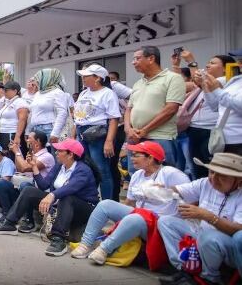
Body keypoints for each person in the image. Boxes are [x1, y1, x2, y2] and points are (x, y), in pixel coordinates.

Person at [71, 141, 190, 265]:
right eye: (132, 155)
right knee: (105, 204)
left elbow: (190, 196)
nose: (131, 158)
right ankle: (85, 245)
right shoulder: (137, 175)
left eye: (136, 155)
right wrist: (119, 225)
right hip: (140, 216)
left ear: (150, 158)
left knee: (136, 218)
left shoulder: (170, 173)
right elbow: (129, 203)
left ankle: (104, 249)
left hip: (160, 223)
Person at [0, 139, 99, 257]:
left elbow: (70, 188)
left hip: (83, 208)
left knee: (67, 197)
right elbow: (44, 185)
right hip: (60, 203)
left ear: (71, 154)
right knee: (28, 190)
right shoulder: (60, 166)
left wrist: (52, 195)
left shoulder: (83, 170)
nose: (56, 152)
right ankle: (10, 223)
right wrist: (34, 167)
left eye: (60, 150)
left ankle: (58, 239)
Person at [157, 153, 242, 285]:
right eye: (212, 172)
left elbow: (237, 231)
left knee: (209, 237)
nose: (214, 178)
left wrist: (207, 215)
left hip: (228, 246)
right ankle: (185, 270)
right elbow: (178, 190)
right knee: (166, 222)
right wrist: (158, 189)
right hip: (202, 235)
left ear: (239, 180)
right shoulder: (205, 183)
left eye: (222, 175)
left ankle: (209, 279)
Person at [126, 46, 186, 165]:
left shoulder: (173, 78)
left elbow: (171, 109)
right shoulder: (138, 83)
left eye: (137, 58)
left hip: (160, 137)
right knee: (137, 176)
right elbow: (129, 109)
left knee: (161, 177)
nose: (133, 62)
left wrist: (144, 130)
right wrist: (128, 129)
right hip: (135, 138)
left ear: (151, 59)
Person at [183, 51, 236, 177]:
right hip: (195, 129)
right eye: (208, 62)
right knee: (196, 166)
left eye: (212, 63)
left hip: (209, 130)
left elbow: (198, 80)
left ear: (225, 68)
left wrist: (191, 61)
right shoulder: (208, 82)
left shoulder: (226, 80)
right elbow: (197, 83)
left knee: (210, 166)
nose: (207, 65)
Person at [74, 64, 121, 200]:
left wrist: (109, 141)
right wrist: (74, 135)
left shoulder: (108, 93)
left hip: (97, 135)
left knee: (102, 170)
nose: (83, 78)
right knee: (86, 169)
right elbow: (78, 117)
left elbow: (113, 119)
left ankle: (107, 203)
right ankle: (90, 199)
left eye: (86, 76)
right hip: (81, 132)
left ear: (97, 78)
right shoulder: (84, 93)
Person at [200, 49, 242, 155]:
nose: (239, 63)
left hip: (238, 141)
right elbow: (215, 106)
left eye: (241, 60)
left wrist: (216, 90)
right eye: (239, 60)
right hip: (224, 139)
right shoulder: (235, 80)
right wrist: (205, 86)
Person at [28, 69, 70, 142]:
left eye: (38, 80)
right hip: (36, 129)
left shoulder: (57, 92)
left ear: (46, 79)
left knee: (53, 153)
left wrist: (55, 133)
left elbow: (62, 113)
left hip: (50, 129)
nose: (35, 82)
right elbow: (33, 113)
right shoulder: (38, 93)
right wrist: (28, 131)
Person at [0, 81, 29, 154]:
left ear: (15, 91)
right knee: (4, 155)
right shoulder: (8, 102)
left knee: (11, 155)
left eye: (6, 90)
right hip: (3, 133)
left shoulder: (20, 102)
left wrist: (17, 136)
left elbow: (22, 120)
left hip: (11, 133)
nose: (4, 92)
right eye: (4, 90)